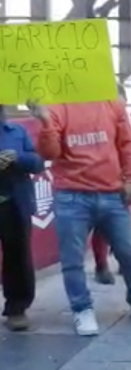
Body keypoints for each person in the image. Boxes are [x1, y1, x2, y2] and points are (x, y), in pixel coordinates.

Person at [29, 97, 131, 336]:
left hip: (112, 194)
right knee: (72, 259)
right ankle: (82, 308)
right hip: (71, 195)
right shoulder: (57, 106)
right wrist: (46, 121)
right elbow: (49, 153)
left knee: (130, 252)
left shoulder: (111, 103)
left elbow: (127, 143)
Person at [92, 84, 131, 285]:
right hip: (105, 182)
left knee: (126, 223)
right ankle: (101, 265)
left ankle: (123, 260)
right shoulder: (97, 122)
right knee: (102, 226)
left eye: (118, 99)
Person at [0, 106, 45, 331]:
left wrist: (17, 158)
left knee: (17, 256)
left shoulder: (17, 132)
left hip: (14, 203)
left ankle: (17, 308)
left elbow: (37, 163)